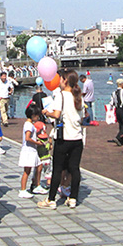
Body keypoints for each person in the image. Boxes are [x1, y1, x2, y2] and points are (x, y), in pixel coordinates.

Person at [38, 69, 85, 210]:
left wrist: (47, 112)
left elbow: (57, 114)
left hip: (63, 138)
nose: (58, 81)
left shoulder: (61, 95)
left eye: (60, 79)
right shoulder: (78, 96)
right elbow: (82, 117)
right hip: (77, 138)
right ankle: (73, 198)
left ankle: (51, 199)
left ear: (65, 80)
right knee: (74, 169)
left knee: (57, 169)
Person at [18, 105, 44, 198]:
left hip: (32, 150)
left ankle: (36, 184)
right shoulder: (28, 125)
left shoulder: (30, 124)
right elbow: (27, 138)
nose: (38, 118)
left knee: (39, 165)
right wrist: (37, 142)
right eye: (37, 116)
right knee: (27, 171)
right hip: (28, 150)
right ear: (33, 115)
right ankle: (23, 189)